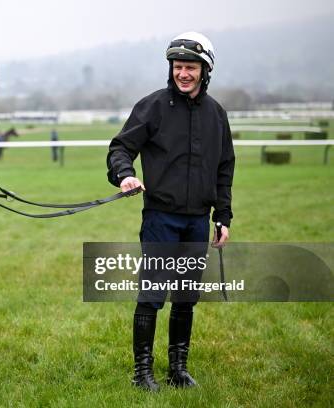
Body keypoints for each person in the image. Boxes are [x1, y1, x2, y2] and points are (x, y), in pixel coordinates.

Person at [106, 32, 235, 391]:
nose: (183, 74)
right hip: (161, 219)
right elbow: (120, 147)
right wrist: (126, 175)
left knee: (186, 297)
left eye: (190, 67)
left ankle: (178, 370)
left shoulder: (217, 115)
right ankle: (142, 373)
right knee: (152, 294)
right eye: (178, 67)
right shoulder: (154, 107)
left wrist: (222, 217)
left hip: (197, 221)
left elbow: (225, 168)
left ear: (205, 70)